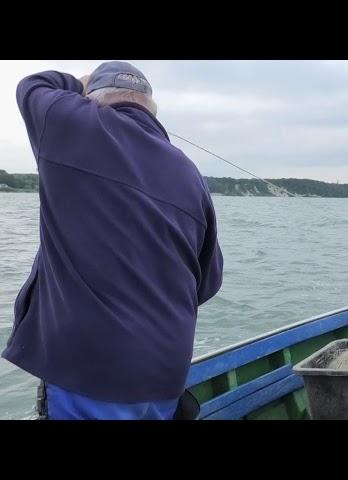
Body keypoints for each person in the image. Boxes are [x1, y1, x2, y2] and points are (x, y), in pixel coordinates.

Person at [2, 61, 223, 419]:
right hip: (165, 372)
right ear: (151, 108)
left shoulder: (74, 124)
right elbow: (207, 282)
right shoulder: (190, 172)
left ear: (93, 101)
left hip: (92, 372)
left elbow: (33, 85)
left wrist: (78, 83)